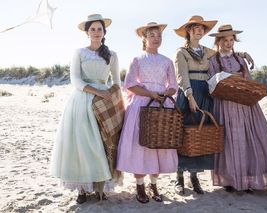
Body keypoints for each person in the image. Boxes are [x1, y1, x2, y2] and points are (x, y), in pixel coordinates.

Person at [50, 14, 121, 204]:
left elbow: (116, 81)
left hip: (104, 102)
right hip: (81, 101)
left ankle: (100, 187)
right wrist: (95, 91)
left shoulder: (112, 55)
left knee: (103, 144)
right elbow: (76, 80)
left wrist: (110, 95)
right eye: (93, 29)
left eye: (99, 29)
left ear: (104, 32)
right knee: (82, 145)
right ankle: (81, 189)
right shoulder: (79, 53)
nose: (96, 32)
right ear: (87, 32)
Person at [208, 24, 267, 192]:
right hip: (225, 104)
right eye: (225, 40)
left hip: (245, 104)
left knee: (250, 139)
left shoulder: (240, 59)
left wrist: (243, 84)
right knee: (230, 141)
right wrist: (227, 77)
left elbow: (248, 80)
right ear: (218, 41)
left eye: (231, 40)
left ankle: (249, 179)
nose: (229, 43)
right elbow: (211, 82)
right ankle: (230, 181)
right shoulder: (214, 60)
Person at [116, 22, 178, 204]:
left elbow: (173, 85)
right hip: (142, 104)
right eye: (151, 35)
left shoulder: (167, 61)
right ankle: (140, 185)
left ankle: (154, 184)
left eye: (158, 35)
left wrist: (165, 94)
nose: (156, 38)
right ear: (144, 38)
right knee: (140, 145)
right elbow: (130, 84)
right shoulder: (137, 59)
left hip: (161, 105)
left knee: (159, 143)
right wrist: (150, 93)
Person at [174, 15, 218, 195]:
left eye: (202, 28)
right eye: (195, 28)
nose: (199, 31)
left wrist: (243, 54)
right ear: (189, 31)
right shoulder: (181, 52)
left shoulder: (209, 52)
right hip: (189, 94)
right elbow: (181, 76)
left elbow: (224, 55)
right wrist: (190, 96)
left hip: (205, 94)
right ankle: (179, 177)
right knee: (184, 133)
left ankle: (194, 177)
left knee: (199, 134)